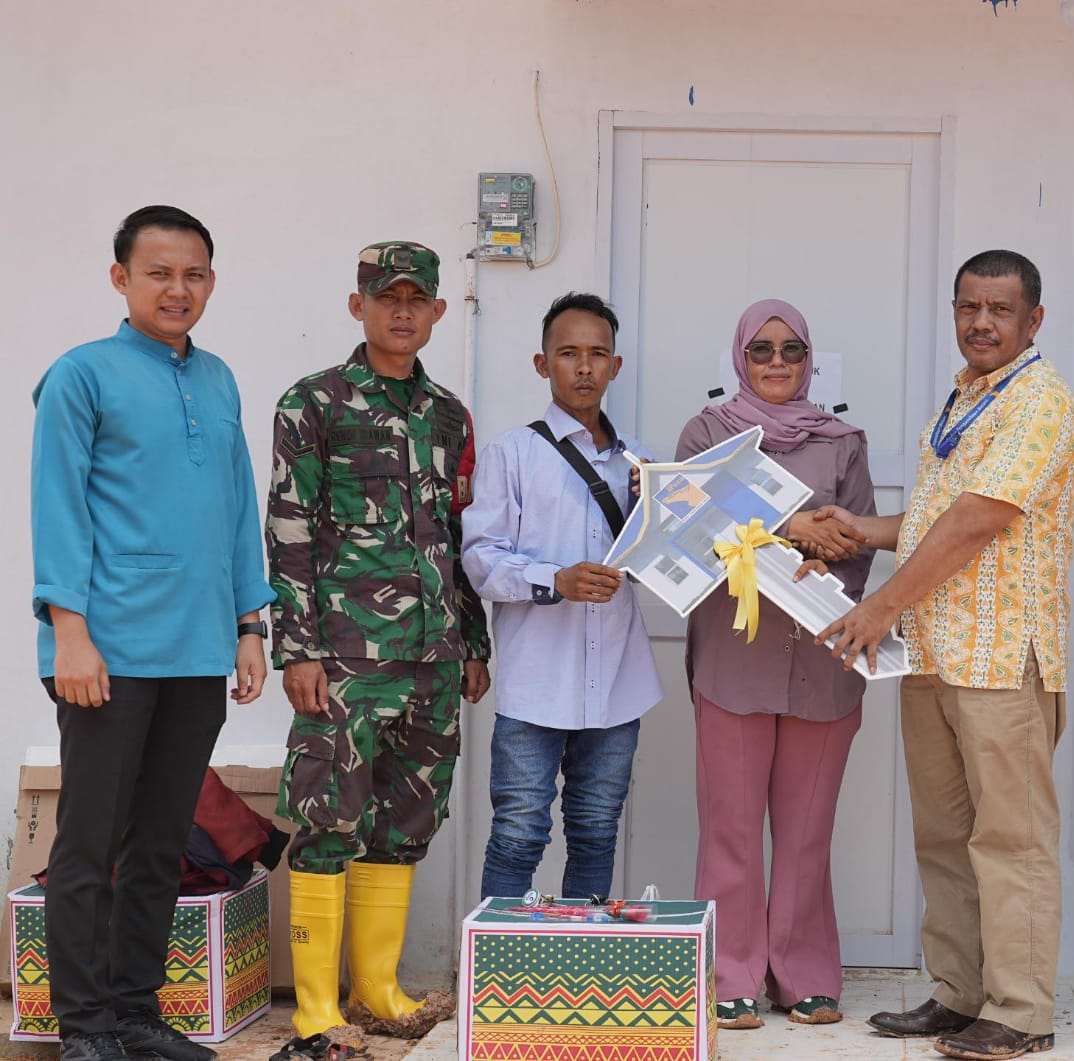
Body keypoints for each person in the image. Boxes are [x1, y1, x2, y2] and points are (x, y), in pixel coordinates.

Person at [818, 249, 1074, 1061]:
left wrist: (880, 605)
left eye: (1000, 309)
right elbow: (937, 516)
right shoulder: (968, 395)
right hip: (934, 654)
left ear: (1033, 320)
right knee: (944, 835)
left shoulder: (1038, 398)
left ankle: (1022, 1010)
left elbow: (976, 519)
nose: (981, 322)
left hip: (1002, 657)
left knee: (1012, 840)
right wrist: (861, 530)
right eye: (969, 307)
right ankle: (961, 992)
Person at [30, 205, 275, 1061]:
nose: (178, 289)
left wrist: (249, 624)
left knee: (163, 840)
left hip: (198, 648)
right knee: (90, 840)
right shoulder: (81, 375)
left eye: (194, 274)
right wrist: (69, 633)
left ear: (211, 281)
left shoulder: (219, 379)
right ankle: (85, 1025)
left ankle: (135, 1011)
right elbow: (57, 507)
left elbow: (237, 509)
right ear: (121, 278)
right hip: (106, 650)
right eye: (159, 273)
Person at [266, 241, 492, 1056]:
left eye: (416, 298)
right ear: (356, 305)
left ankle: (378, 991)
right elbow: (288, 531)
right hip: (344, 657)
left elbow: (460, 536)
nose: (401, 311)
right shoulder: (314, 403)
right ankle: (316, 1009)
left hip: (433, 657)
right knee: (328, 819)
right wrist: (297, 648)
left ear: (437, 310)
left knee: (406, 822)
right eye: (385, 296)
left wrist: (473, 638)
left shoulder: (449, 415)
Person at [675, 299, 877, 1031]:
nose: (777, 362)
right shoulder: (708, 434)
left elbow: (858, 542)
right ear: (741, 356)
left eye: (792, 349)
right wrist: (794, 531)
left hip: (822, 658)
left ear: (809, 358)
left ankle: (805, 976)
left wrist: (825, 560)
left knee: (806, 830)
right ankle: (730, 974)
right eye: (761, 349)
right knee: (730, 827)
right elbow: (690, 523)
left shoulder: (843, 441)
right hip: (734, 658)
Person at [463, 292, 662, 903]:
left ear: (615, 366)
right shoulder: (512, 453)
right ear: (542, 363)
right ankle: (499, 961)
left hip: (618, 680)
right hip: (537, 683)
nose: (584, 367)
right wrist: (555, 580)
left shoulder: (642, 465)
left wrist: (655, 513)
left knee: (597, 834)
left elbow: (665, 566)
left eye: (597, 354)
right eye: (568, 353)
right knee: (518, 835)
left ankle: (579, 962)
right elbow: (480, 559)